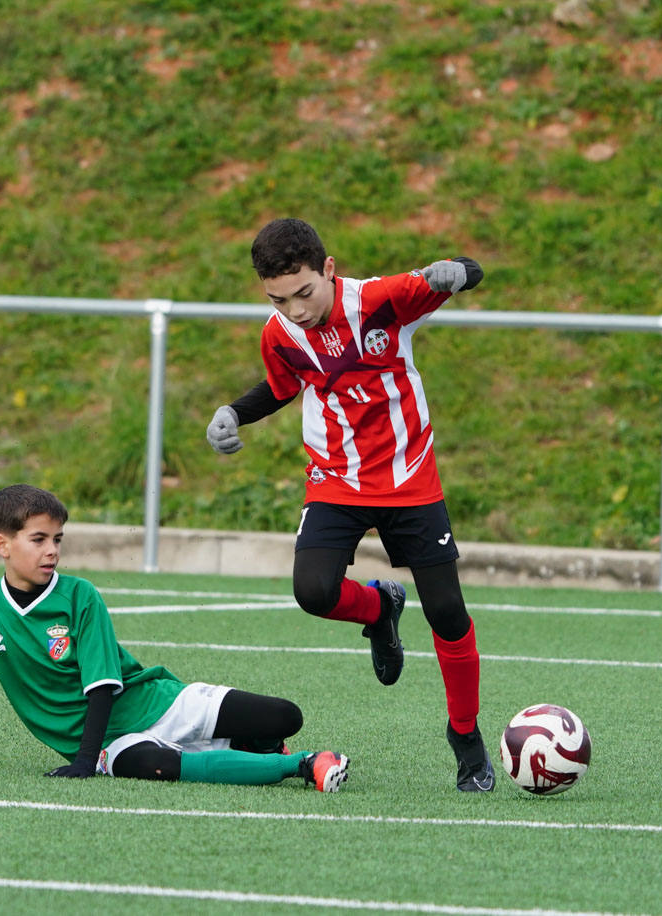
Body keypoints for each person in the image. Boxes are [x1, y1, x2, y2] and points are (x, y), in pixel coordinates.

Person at [204, 217, 493, 791]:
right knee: (312, 591)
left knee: (447, 613)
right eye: (279, 299)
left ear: (329, 269)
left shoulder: (381, 300)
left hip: (410, 478)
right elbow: (283, 387)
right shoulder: (280, 332)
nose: (297, 309)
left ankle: (465, 735)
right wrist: (233, 412)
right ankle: (379, 609)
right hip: (336, 478)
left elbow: (472, 272)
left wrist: (454, 272)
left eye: (305, 293)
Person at [0, 484, 349, 792]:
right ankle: (300, 767)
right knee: (156, 766)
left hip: (157, 702)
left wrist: (84, 764)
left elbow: (102, 685)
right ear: (2, 544)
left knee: (285, 715)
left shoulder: (81, 597)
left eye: (57, 540)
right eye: (38, 540)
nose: (51, 551)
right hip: (111, 743)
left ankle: (257, 745)